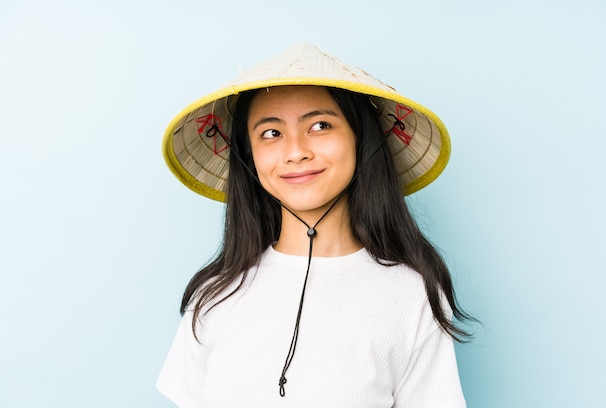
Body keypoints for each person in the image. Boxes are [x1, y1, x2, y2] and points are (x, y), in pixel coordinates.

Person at [157, 43, 471, 407]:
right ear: (249, 157)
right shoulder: (214, 295)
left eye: (320, 125)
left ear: (360, 138)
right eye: (271, 133)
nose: (296, 151)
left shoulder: (412, 293)